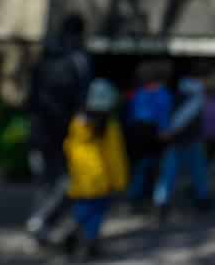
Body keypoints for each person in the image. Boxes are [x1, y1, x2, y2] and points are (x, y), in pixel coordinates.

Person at [26, 13, 91, 244]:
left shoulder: (44, 56)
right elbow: (84, 102)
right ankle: (43, 221)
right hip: (64, 135)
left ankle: (40, 224)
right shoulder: (79, 60)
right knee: (67, 183)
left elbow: (31, 96)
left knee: (43, 182)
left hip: (37, 131)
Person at [62, 78, 128, 262]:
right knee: (97, 210)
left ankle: (74, 231)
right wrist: (119, 181)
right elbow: (114, 157)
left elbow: (68, 147)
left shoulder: (77, 122)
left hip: (81, 176)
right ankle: (90, 242)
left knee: (82, 207)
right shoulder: (109, 125)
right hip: (101, 178)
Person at [153, 75, 211, 217]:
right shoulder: (198, 94)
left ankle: (162, 202)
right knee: (198, 172)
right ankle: (202, 198)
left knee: (169, 173)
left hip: (176, 140)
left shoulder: (171, 93)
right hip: (191, 139)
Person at [123, 61, 172, 209]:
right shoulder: (163, 94)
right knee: (159, 170)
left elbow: (130, 115)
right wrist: (165, 132)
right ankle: (159, 201)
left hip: (138, 134)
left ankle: (135, 197)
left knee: (140, 168)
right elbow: (164, 115)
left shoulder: (138, 94)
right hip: (155, 134)